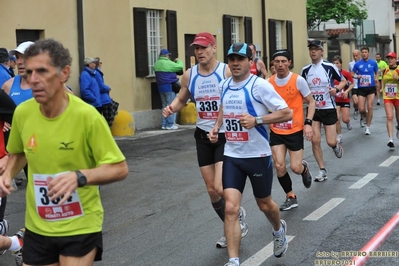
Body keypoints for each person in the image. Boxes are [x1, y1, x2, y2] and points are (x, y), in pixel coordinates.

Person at [0, 38, 128, 266]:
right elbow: (19, 152)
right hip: (38, 225)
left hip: (79, 224)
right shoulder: (23, 113)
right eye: (29, 72)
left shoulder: (87, 116)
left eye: (42, 71)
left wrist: (79, 176)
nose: (34, 79)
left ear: (64, 73)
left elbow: (119, 168)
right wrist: (7, 174)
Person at [163, 32, 248, 249]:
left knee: (220, 187)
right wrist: (171, 107)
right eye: (196, 48)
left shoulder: (226, 71)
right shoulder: (190, 75)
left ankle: (234, 218)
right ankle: (233, 224)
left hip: (224, 135)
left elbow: (239, 95)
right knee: (211, 191)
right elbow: (182, 97)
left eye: (203, 48)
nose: (199, 52)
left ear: (214, 48)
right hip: (202, 135)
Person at [209, 42, 292, 266]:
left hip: (257, 156)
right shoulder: (224, 85)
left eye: (240, 59)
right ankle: (234, 261)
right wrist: (217, 127)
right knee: (231, 208)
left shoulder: (260, 86)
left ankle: (278, 229)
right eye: (232, 59)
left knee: (264, 205)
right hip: (232, 155)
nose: (235, 63)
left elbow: (286, 112)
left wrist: (258, 120)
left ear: (250, 61)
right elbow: (223, 108)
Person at [268, 49, 315, 211]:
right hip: (276, 131)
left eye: (283, 61)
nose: (280, 65)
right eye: (277, 62)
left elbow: (311, 101)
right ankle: (290, 196)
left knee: (295, 167)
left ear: (289, 62)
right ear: (273, 64)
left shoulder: (298, 80)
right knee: (279, 166)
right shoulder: (269, 83)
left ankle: (304, 169)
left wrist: (308, 123)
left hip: (294, 130)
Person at [301, 39, 346, 182]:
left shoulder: (329, 67)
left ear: (321, 51)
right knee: (315, 140)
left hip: (328, 108)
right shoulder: (305, 70)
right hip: (314, 110)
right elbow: (300, 88)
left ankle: (335, 145)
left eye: (316, 49)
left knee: (330, 141)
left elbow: (344, 81)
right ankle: (322, 170)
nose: (313, 51)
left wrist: (336, 89)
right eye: (311, 49)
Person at [351, 47, 379, 135]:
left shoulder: (373, 63)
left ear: (368, 53)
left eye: (365, 52)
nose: (364, 54)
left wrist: (376, 78)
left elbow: (377, 72)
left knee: (370, 106)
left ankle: (367, 127)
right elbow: (352, 73)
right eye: (362, 52)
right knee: (361, 108)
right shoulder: (358, 64)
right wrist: (356, 76)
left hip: (371, 87)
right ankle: (365, 115)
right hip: (361, 88)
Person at [154, 49, 183, 130]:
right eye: (168, 55)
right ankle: (170, 124)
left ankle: (163, 124)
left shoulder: (156, 64)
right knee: (171, 106)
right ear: (166, 55)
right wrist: (178, 61)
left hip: (160, 87)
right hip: (169, 86)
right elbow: (180, 67)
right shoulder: (168, 63)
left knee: (164, 106)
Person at [332, 55, 355, 144]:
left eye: (337, 63)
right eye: (334, 63)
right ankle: (339, 135)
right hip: (335, 100)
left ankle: (348, 122)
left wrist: (347, 91)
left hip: (344, 99)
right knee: (337, 118)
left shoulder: (345, 73)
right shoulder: (331, 74)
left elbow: (352, 84)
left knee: (345, 119)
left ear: (341, 64)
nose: (335, 65)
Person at [381, 52, 399, 148]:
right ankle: (391, 139)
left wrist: (398, 79)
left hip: (398, 97)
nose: (390, 60)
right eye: (389, 58)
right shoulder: (385, 70)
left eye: (392, 58)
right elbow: (383, 80)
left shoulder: (398, 69)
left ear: (396, 59)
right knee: (389, 117)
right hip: (387, 96)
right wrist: (381, 88)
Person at [348, 49, 361, 121]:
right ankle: (356, 109)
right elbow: (349, 74)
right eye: (354, 56)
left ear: (359, 55)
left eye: (356, 55)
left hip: (362, 85)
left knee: (361, 104)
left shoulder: (363, 63)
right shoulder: (350, 64)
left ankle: (362, 118)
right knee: (355, 102)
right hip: (354, 84)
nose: (355, 57)